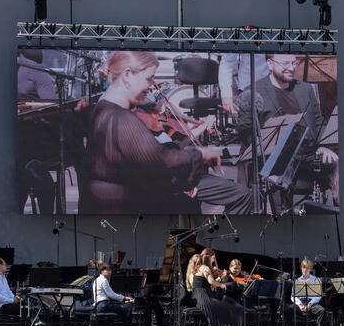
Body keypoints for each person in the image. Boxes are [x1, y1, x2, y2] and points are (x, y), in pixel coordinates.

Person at [80, 50, 252, 215]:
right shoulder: (121, 118)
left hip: (121, 200)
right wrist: (200, 153)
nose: (150, 86)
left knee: (186, 205)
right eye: (148, 79)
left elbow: (138, 165)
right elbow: (162, 160)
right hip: (124, 209)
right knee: (186, 209)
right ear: (127, 75)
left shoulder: (103, 110)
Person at [236, 53, 338, 212]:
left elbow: (318, 121)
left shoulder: (305, 88)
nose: (291, 68)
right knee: (279, 177)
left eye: (294, 63)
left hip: (308, 154)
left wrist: (324, 145)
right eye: (285, 64)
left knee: (338, 164)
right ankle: (283, 218)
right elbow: (247, 134)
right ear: (270, 64)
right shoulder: (253, 92)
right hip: (277, 158)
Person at [192, 253, 243, 326]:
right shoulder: (206, 267)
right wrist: (221, 285)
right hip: (203, 298)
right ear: (208, 258)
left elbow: (210, 286)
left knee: (224, 306)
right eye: (213, 258)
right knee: (227, 307)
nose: (214, 260)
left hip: (199, 296)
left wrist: (221, 278)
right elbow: (211, 281)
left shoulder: (199, 267)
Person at [285, 258, 327, 326]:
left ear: (310, 269)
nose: (305, 270)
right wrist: (300, 304)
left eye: (307, 268)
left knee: (322, 311)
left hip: (312, 303)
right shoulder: (297, 281)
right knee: (287, 309)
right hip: (300, 303)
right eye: (303, 267)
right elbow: (293, 296)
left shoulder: (316, 280)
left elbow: (318, 295)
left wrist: (310, 304)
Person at [93, 262, 134, 326]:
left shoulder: (96, 280)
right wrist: (125, 297)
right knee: (127, 310)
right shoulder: (104, 280)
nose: (110, 272)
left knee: (120, 310)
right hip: (104, 305)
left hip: (98, 306)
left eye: (110, 270)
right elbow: (111, 295)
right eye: (108, 270)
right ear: (102, 271)